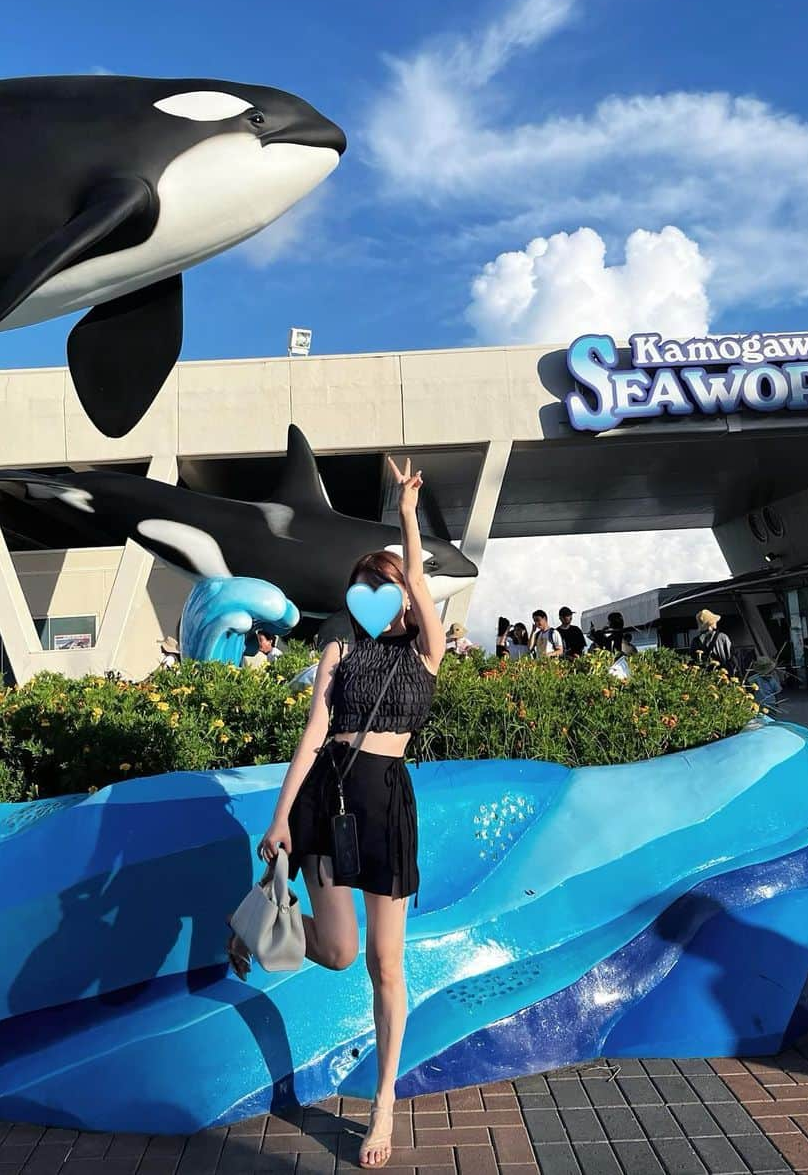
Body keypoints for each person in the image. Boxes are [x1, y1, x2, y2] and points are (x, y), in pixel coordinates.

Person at [228, 455, 444, 1169]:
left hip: (388, 805)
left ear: (403, 596)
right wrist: (280, 816)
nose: (371, 597)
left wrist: (409, 518)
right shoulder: (338, 650)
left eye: (381, 586)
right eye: (364, 588)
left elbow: (417, 580)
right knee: (341, 950)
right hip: (330, 794)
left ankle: (383, 1100)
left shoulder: (427, 652)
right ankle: (263, 923)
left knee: (385, 964)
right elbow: (313, 733)